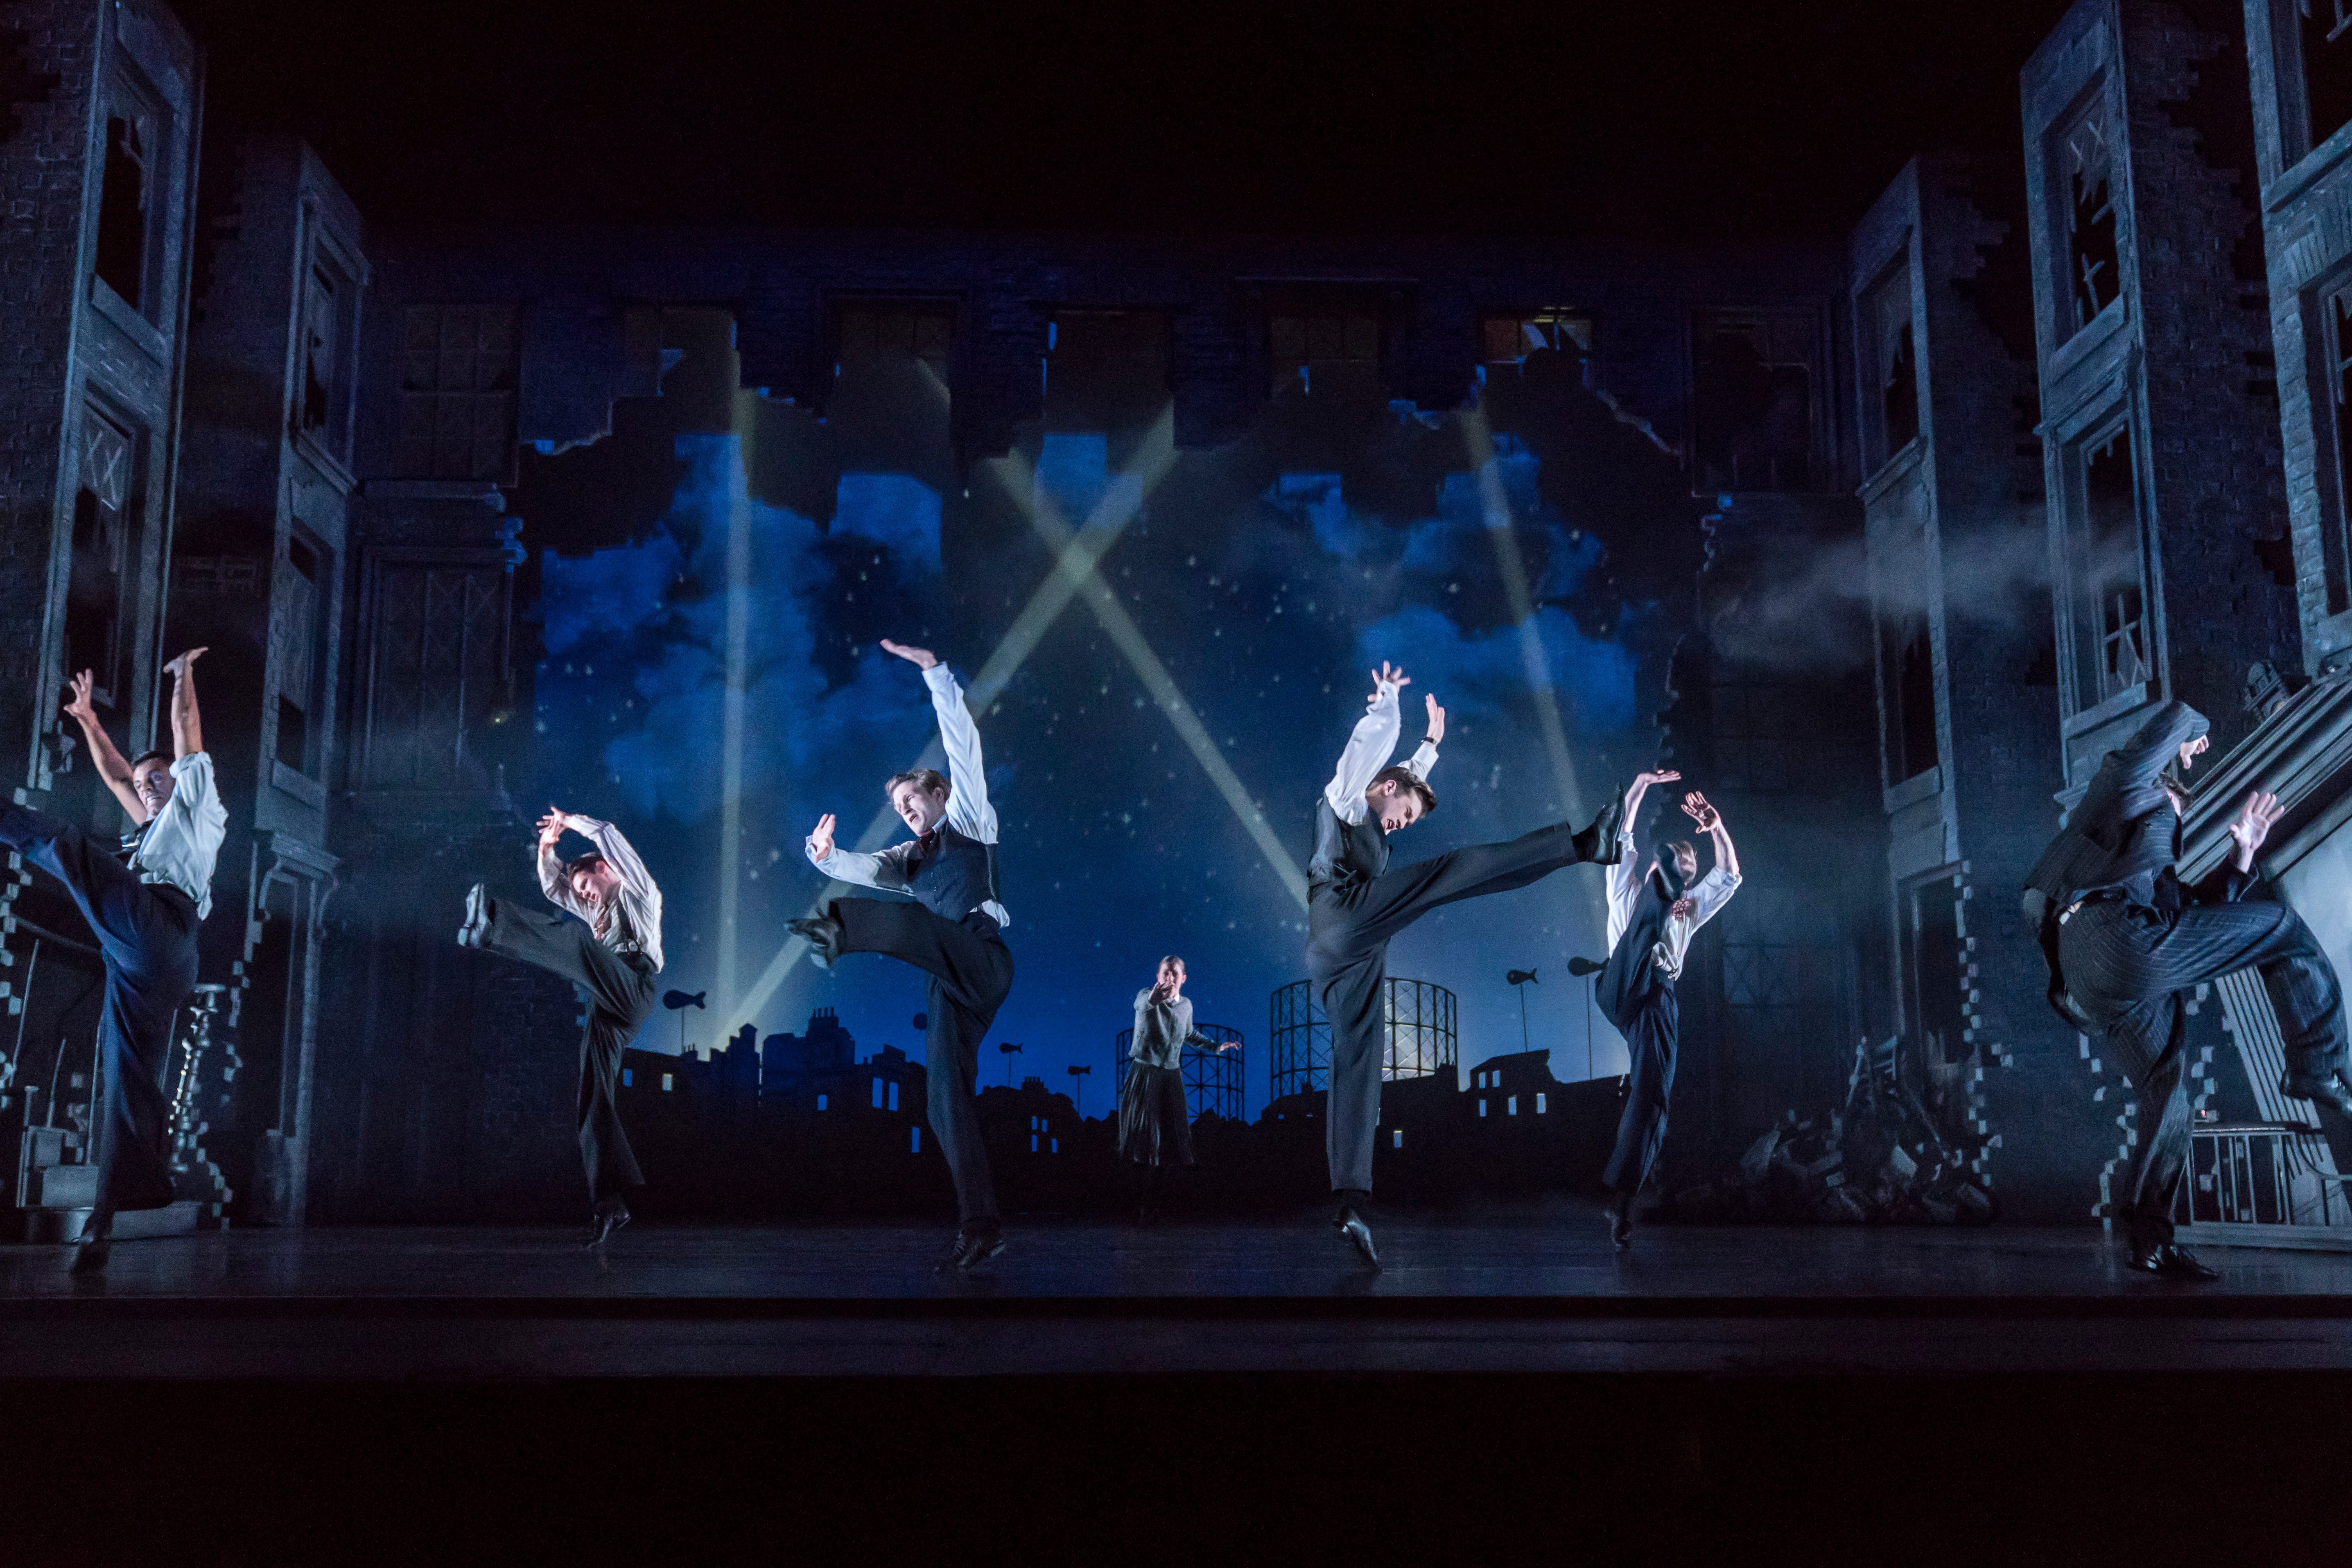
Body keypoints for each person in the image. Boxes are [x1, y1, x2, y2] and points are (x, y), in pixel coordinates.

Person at [1307, 661, 1623, 1267]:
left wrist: (1430, 746)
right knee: (1447, 875)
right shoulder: (1347, 798)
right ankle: (1583, 845)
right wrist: (1388, 706)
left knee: (1358, 1059)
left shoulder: (1375, 811)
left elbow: (1405, 779)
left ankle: (1350, 1199)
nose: (1399, 824)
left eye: (1406, 824)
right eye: (1402, 813)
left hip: (1348, 953)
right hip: (1342, 919)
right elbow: (1367, 750)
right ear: (1385, 786)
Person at [2024, 700, 2349, 1281]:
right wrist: (2190, 732)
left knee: (2169, 1093)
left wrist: (2242, 853)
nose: (2168, 829)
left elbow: (2201, 924)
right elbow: (2154, 737)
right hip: (2109, 939)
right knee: (2280, 927)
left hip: (2105, 975)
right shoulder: (2117, 799)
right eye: (2169, 812)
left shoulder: (2149, 880)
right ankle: (2317, 1065)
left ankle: (2150, 1239)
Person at [791, 639, 1014, 1271]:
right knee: (943, 1099)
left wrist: (938, 676)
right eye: (895, 807)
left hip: (981, 954)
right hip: (946, 982)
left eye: (911, 799)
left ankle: (835, 930)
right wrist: (825, 855)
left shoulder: (970, 820)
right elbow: (861, 867)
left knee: (920, 921)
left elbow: (964, 749)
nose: (903, 809)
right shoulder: (905, 860)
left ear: (938, 793)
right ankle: (981, 1223)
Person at [0, 651, 226, 1272]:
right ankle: (106, 1218)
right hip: (143, 961)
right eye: (146, 782)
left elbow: (186, 736)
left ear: (183, 782)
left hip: (163, 927)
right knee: (126, 1078)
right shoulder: (152, 824)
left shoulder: (197, 808)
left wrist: (183, 674)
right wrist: (88, 722)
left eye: (160, 779)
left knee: (69, 845)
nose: (148, 787)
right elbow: (117, 778)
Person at [459, 806, 664, 1247]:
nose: (586, 897)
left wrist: (570, 821)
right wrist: (547, 847)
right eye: (582, 892)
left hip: (634, 985)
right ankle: (609, 1200)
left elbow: (609, 834)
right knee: (593, 1087)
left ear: (605, 870)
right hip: (607, 1000)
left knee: (573, 941)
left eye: (587, 884)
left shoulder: (639, 891)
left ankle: (492, 923)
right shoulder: (597, 913)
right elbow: (555, 889)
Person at [1595, 771, 1741, 1249]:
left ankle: (1621, 1196)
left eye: (1686, 873)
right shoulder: (1625, 883)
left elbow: (1730, 876)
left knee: (1654, 1090)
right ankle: (1656, 894)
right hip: (1621, 977)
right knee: (1645, 915)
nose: (1686, 878)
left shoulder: (1691, 906)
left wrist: (1717, 828)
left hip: (1655, 995)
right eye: (1675, 869)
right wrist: (1637, 785)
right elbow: (1623, 832)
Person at [1119, 954, 1237, 1220]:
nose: (1169, 978)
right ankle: (1137, 1205)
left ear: (1183, 979)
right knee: (1143, 1140)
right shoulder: (1147, 996)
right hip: (1145, 1073)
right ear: (1158, 976)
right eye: (1165, 973)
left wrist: (1216, 1047)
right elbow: (1142, 1005)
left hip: (1171, 1077)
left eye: (1174, 974)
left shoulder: (1186, 1006)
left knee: (1170, 1144)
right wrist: (1154, 1000)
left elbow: (1189, 1035)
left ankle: (1154, 1205)